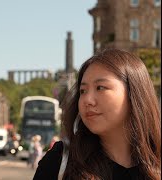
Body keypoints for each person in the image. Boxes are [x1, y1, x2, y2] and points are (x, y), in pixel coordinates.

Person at [33, 49, 161, 180]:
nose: (87, 100)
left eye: (100, 87)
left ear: (133, 93)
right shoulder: (60, 160)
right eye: (83, 91)